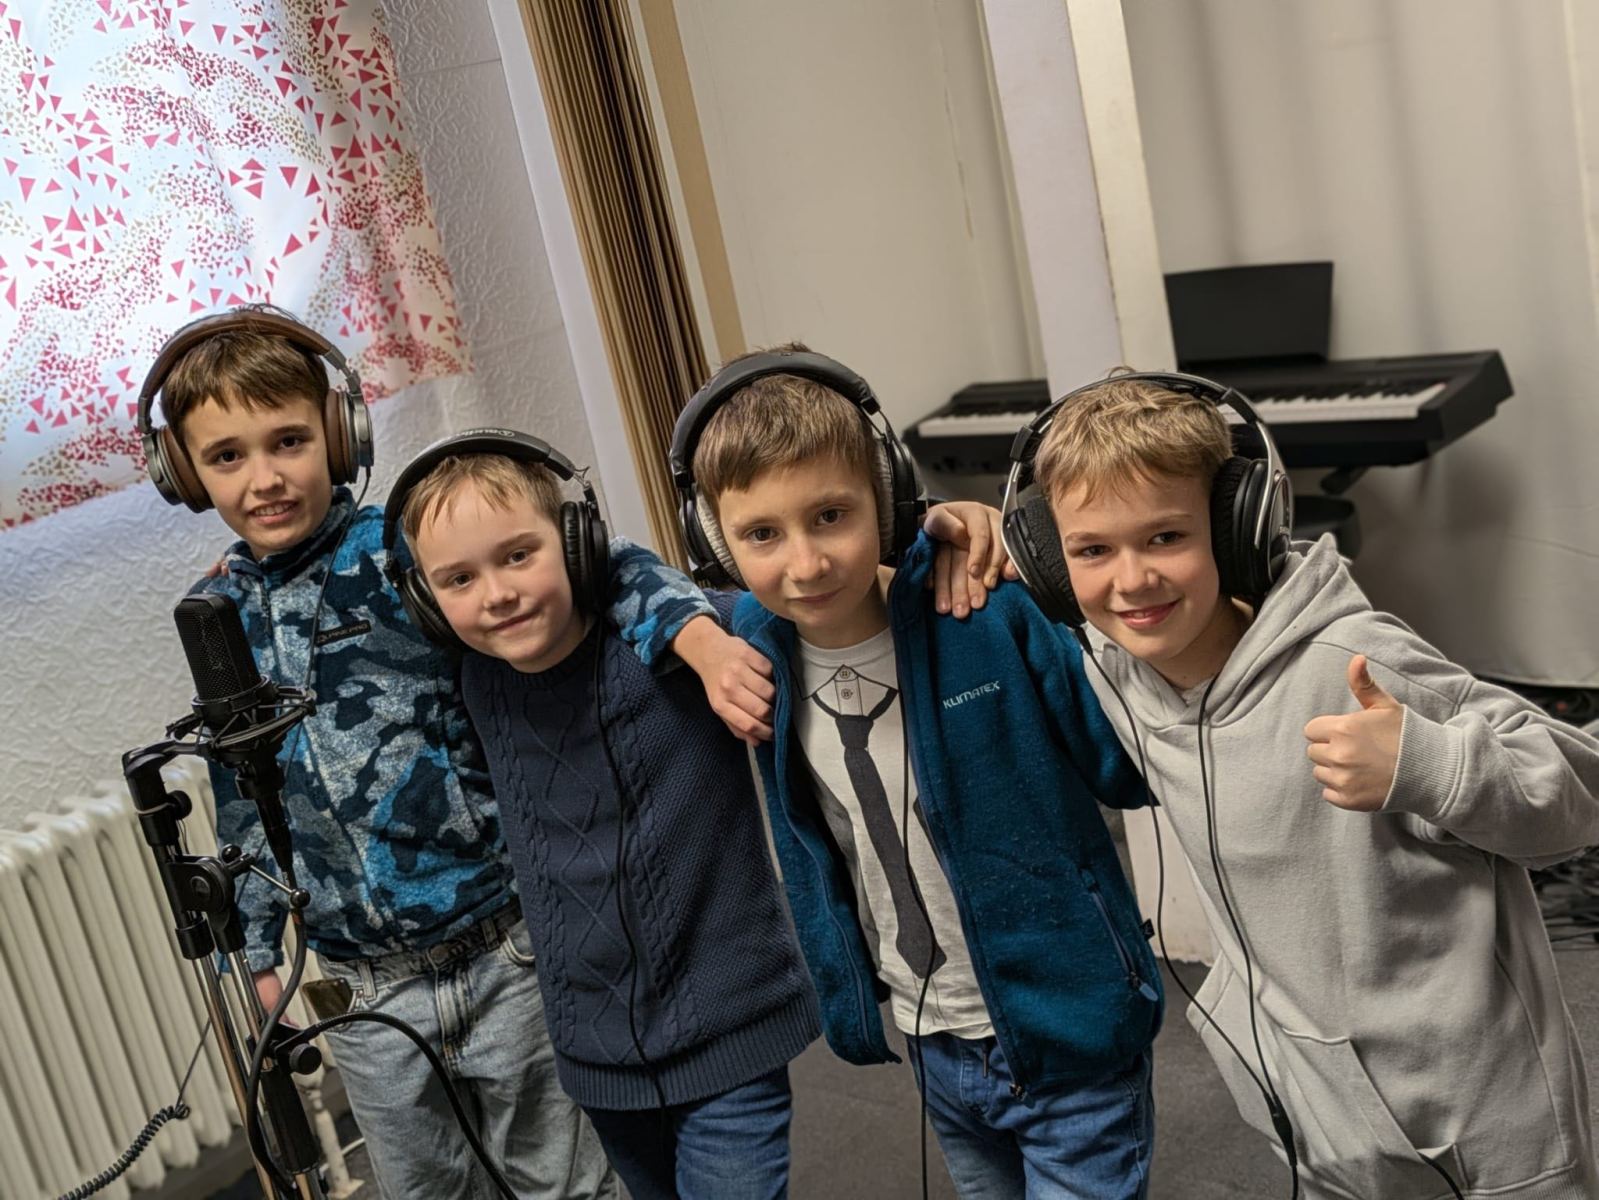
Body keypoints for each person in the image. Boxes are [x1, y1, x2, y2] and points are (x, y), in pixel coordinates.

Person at [140, 306, 761, 1199]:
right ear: (184, 473)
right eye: (227, 456)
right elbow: (242, 789)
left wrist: (696, 640)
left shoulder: (402, 550)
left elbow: (601, 561)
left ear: (340, 434)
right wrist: (259, 950)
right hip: (362, 992)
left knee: (567, 1185)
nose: (265, 478)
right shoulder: (220, 617)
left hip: (505, 952)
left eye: (289, 442)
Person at [1008, 369, 1599, 1199]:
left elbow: (1578, 794)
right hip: (1316, 1115)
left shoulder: (1352, 661)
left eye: (1165, 537)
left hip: (1479, 1117)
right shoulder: (1116, 669)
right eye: (1091, 550)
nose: (1130, 580)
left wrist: (1428, 763)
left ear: (1235, 528)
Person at [675, 346, 1162, 1199]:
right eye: (761, 534)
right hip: (932, 1040)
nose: (805, 563)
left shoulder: (983, 610)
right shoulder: (749, 645)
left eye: (831, 515)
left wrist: (1030, 565)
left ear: (888, 494)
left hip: (1071, 1026)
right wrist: (694, 641)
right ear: (715, 540)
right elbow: (620, 584)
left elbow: (1125, 768)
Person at [390, 430, 821, 1199]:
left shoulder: (683, 646)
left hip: (733, 1029)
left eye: (518, 555)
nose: (496, 593)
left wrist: (951, 536)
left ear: (576, 545)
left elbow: (826, 598)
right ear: (426, 599)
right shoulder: (477, 681)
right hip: (597, 1058)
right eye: (458, 578)